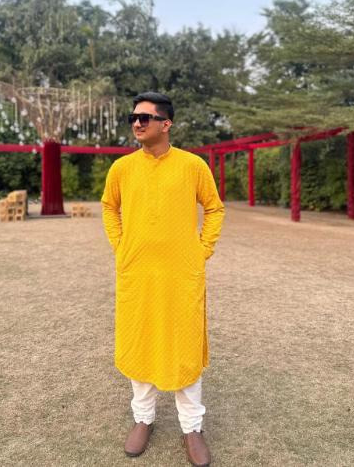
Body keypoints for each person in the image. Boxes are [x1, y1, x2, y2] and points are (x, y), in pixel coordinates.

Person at [101, 92, 225, 467]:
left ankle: (192, 427)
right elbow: (109, 206)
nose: (137, 123)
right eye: (133, 118)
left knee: (183, 345)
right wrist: (121, 246)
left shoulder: (192, 166)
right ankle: (143, 419)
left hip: (181, 274)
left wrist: (201, 250)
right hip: (137, 273)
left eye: (145, 118)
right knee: (140, 341)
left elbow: (214, 208)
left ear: (166, 124)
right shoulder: (122, 168)